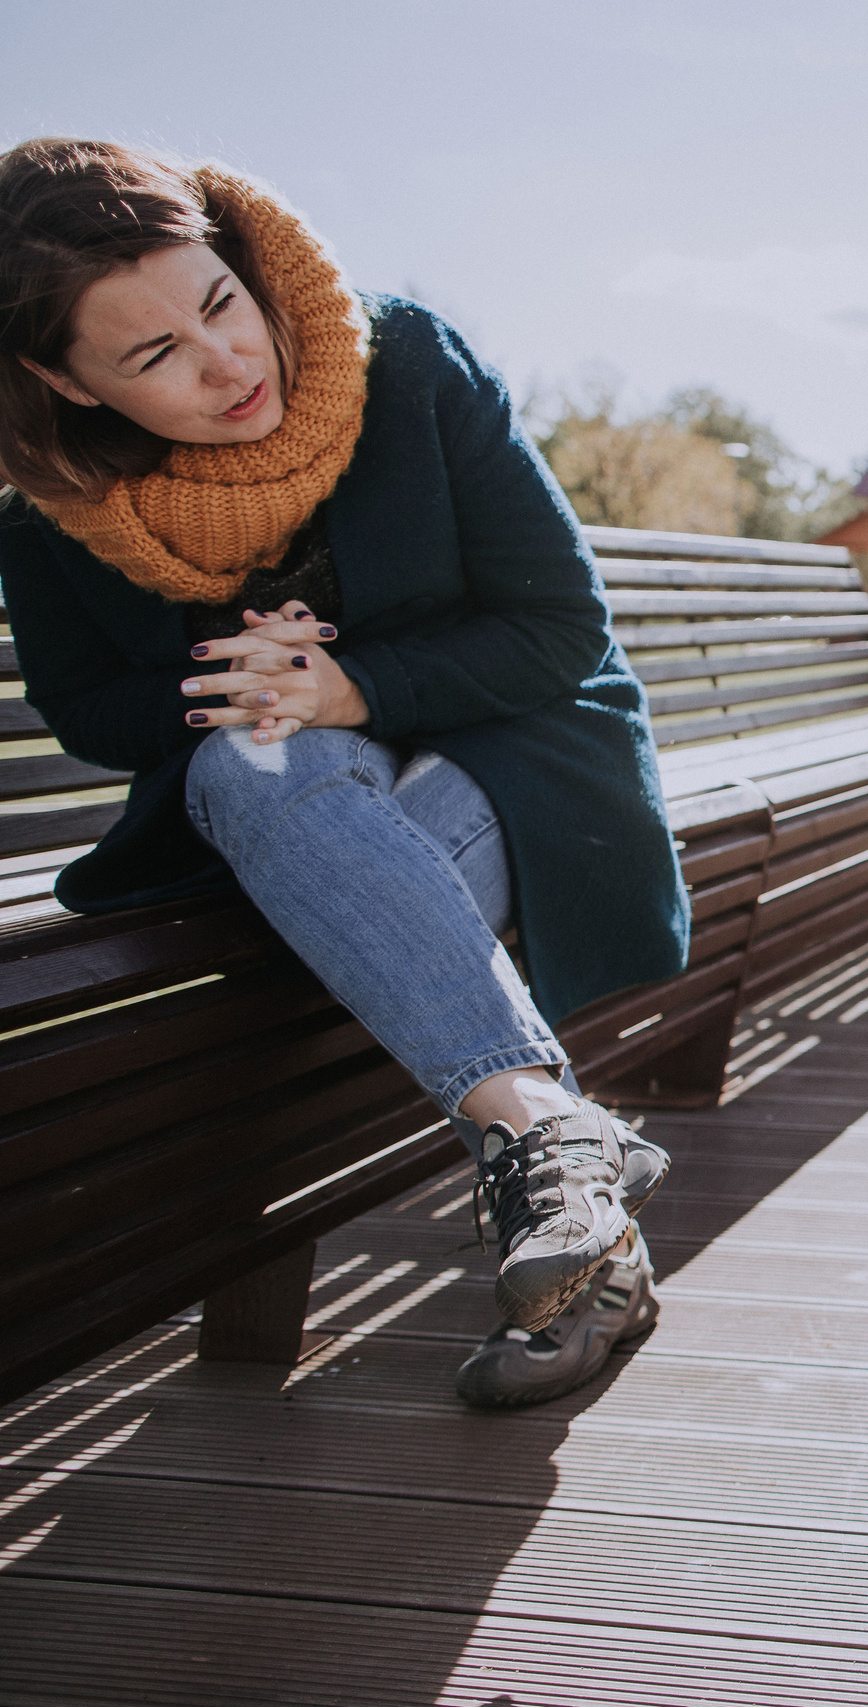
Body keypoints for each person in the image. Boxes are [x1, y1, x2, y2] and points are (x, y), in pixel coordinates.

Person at [0, 138, 680, 1403]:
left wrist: (355, 688)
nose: (228, 362)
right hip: (295, 813)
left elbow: (557, 629)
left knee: (327, 848)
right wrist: (231, 683)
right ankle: (557, 1148)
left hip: (513, 766)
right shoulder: (50, 504)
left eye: (220, 303)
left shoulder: (401, 361)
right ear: (60, 380)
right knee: (251, 762)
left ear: (234, 257)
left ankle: (550, 1158)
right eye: (155, 357)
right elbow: (88, 707)